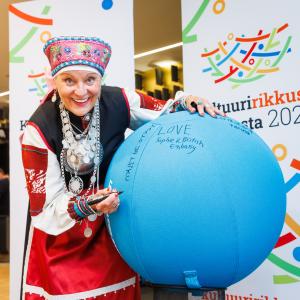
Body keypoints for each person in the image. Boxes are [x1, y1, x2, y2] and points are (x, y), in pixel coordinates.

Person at [21, 36, 224, 300]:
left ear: (100, 80)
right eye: (69, 80)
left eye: (90, 80)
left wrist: (187, 103)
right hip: (62, 238)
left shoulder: (119, 100)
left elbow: (162, 115)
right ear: (55, 80)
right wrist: (88, 205)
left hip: (113, 229)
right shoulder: (38, 129)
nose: (81, 91)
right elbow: (44, 209)